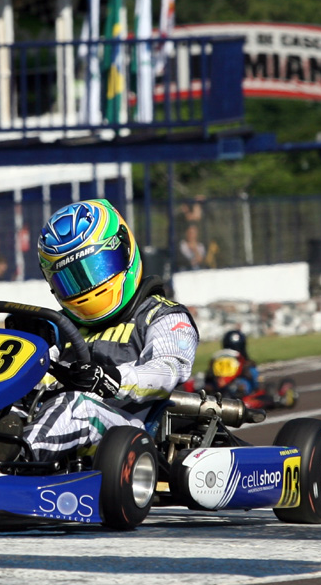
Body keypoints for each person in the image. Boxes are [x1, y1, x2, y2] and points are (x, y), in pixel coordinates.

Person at [20, 198, 198, 462]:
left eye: (97, 267)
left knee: (76, 406)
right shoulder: (59, 326)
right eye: (71, 279)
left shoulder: (163, 315)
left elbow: (168, 371)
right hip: (54, 419)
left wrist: (111, 378)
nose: (87, 286)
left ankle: (14, 462)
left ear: (124, 250)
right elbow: (36, 376)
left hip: (126, 431)